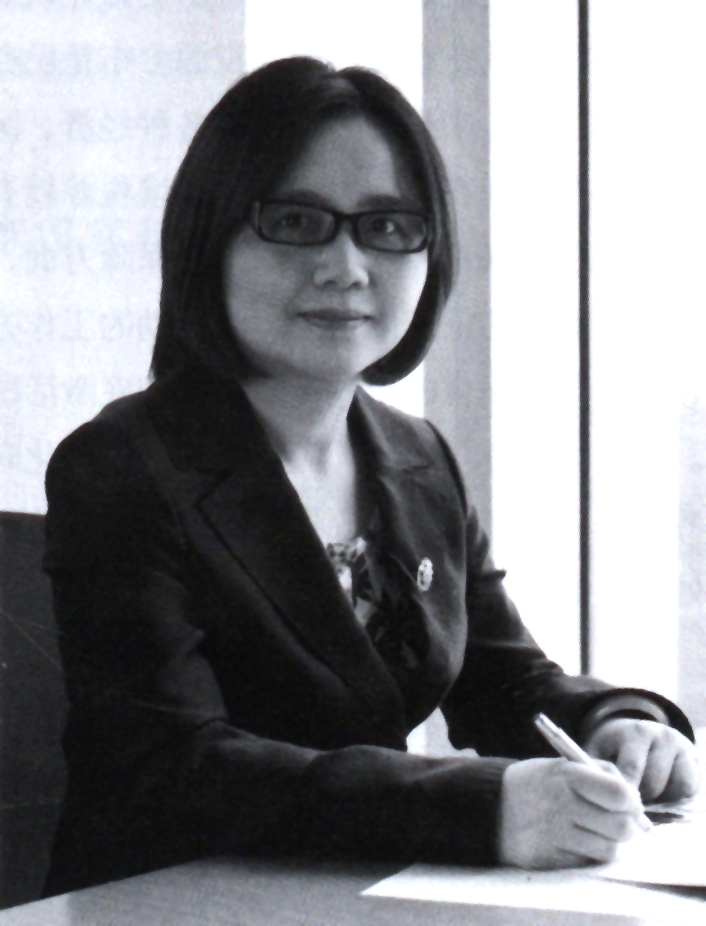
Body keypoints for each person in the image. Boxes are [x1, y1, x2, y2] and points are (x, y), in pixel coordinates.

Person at [43, 57, 698, 896]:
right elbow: (174, 766)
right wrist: (485, 809)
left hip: (358, 898)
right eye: (295, 221)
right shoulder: (120, 466)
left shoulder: (419, 458)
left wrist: (617, 725)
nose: (346, 267)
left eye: (387, 226)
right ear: (208, 239)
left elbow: (506, 682)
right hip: (164, 905)